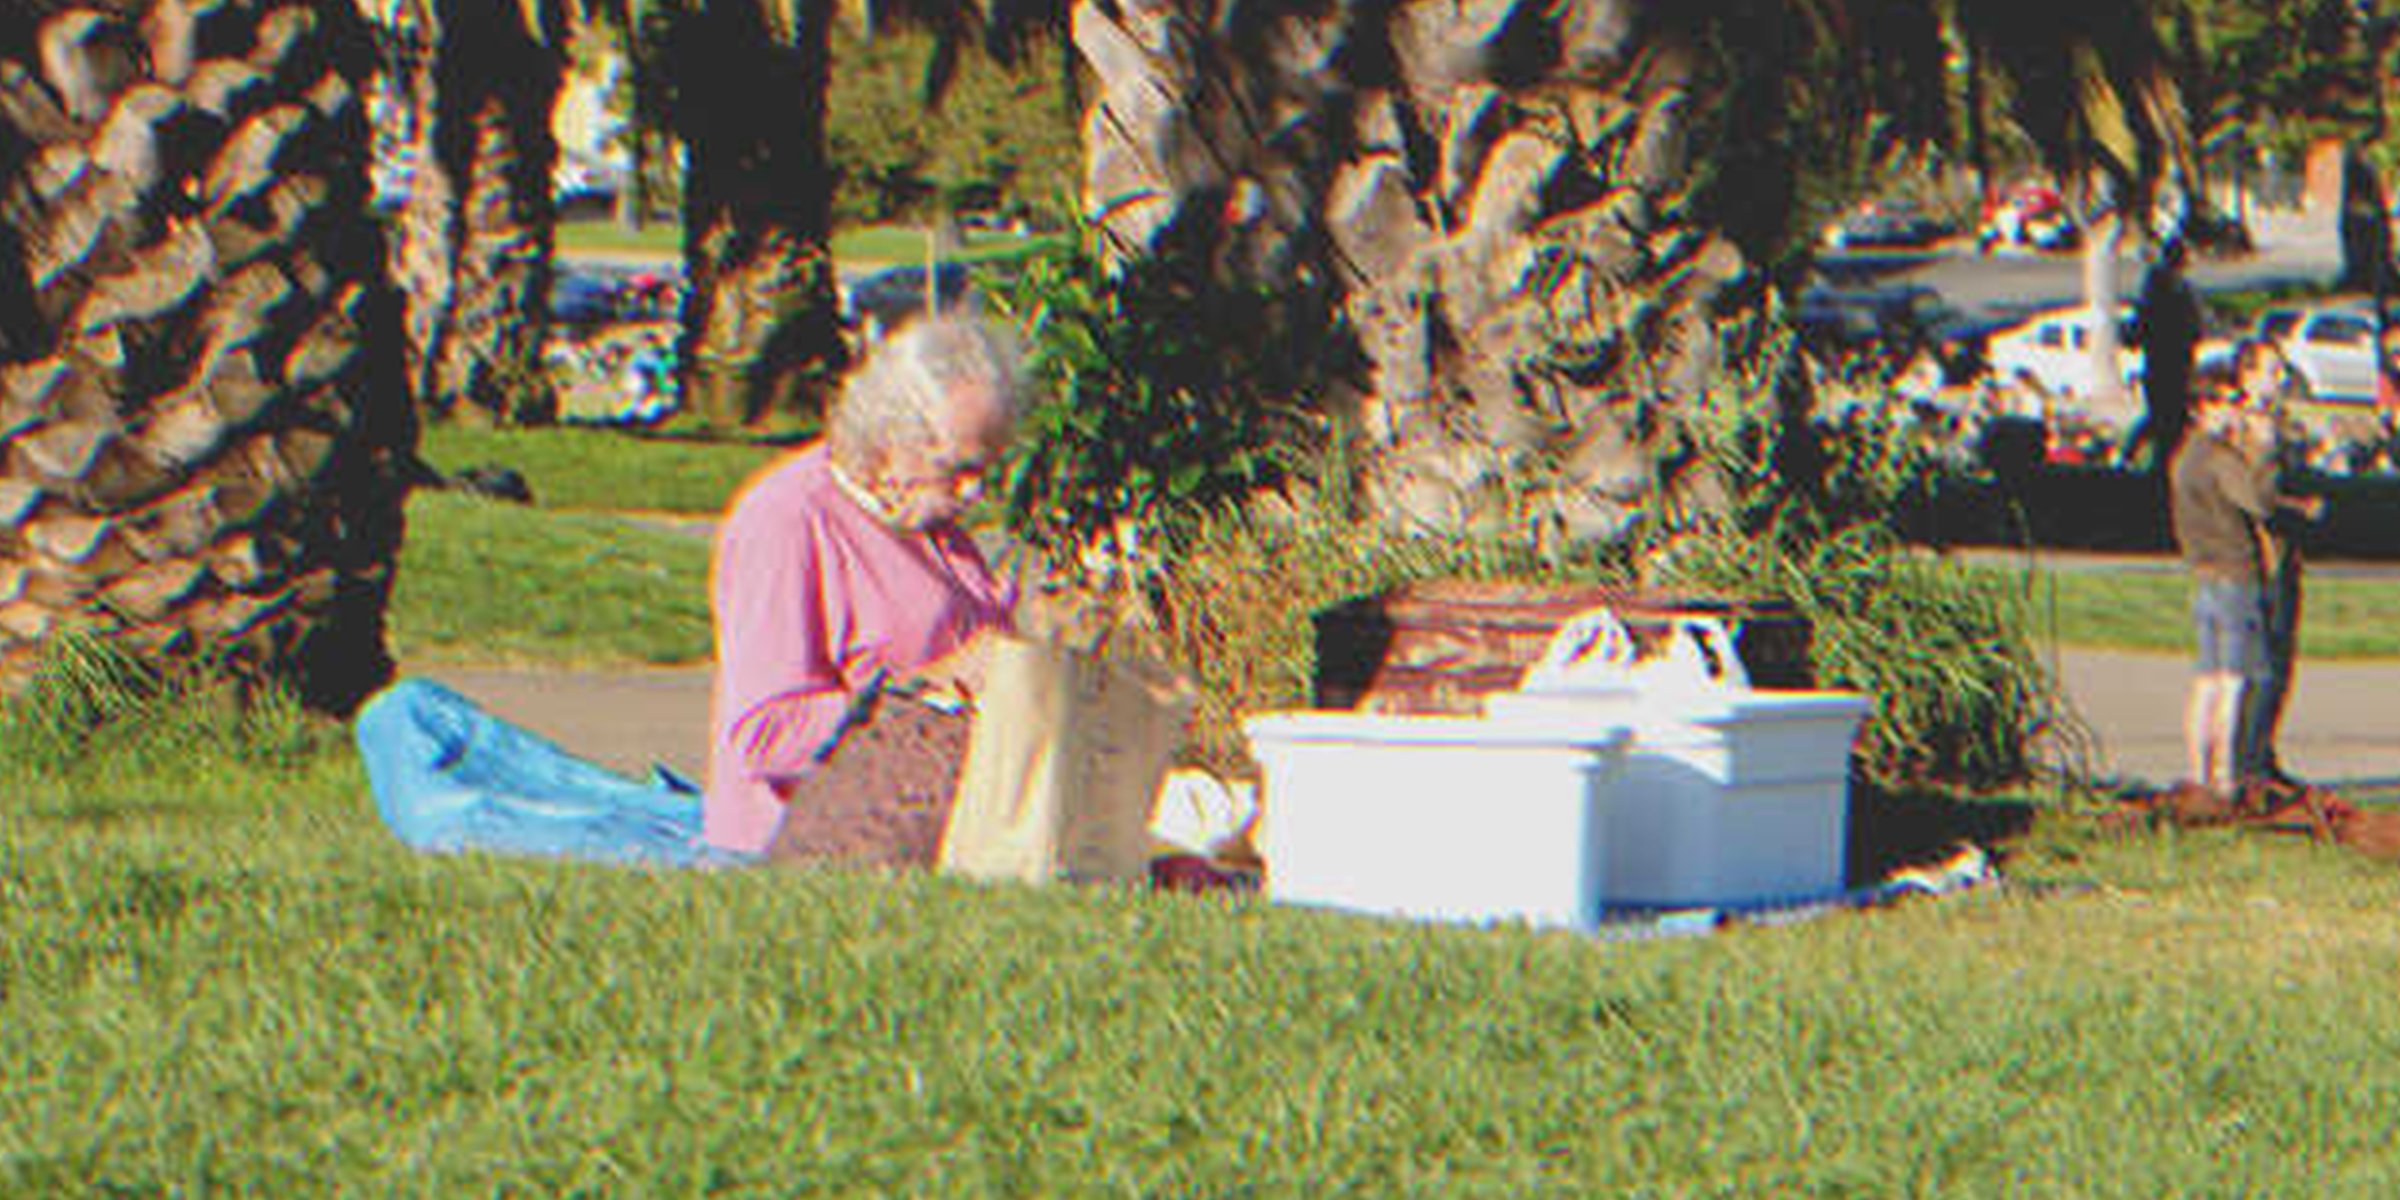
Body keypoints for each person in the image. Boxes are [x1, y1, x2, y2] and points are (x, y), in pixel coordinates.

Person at [704, 315, 1023, 853]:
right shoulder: (788, 520)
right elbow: (766, 735)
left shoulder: (932, 524)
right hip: (810, 845)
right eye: (958, 469)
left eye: (988, 469)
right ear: (890, 438)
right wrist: (935, 685)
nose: (976, 492)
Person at [2168, 339, 2282, 804]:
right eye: (2228, 401)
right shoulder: (2219, 457)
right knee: (2234, 683)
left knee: (2206, 682)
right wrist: (2265, 452)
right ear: (2206, 406)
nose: (2236, 410)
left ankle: (2198, 772)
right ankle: (2225, 780)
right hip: (2236, 575)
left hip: (2203, 575)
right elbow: (2257, 503)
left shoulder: (2184, 457)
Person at [2232, 343, 2326, 795]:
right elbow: (2259, 501)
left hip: (2283, 557)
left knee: (2279, 661)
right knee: (2265, 665)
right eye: (2271, 371)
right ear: (2246, 377)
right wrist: (2302, 509)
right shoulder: (2251, 429)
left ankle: (2262, 757)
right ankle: (2249, 766)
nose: (2280, 379)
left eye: (2282, 370)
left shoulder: (2274, 426)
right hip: (2263, 560)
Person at [2128, 237, 2202, 473]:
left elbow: (2194, 329)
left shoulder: (2180, 288)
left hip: (2177, 365)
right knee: (2164, 420)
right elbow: (2142, 327)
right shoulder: (2159, 288)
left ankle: (2150, 460)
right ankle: (2141, 460)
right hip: (2163, 366)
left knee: (2171, 420)